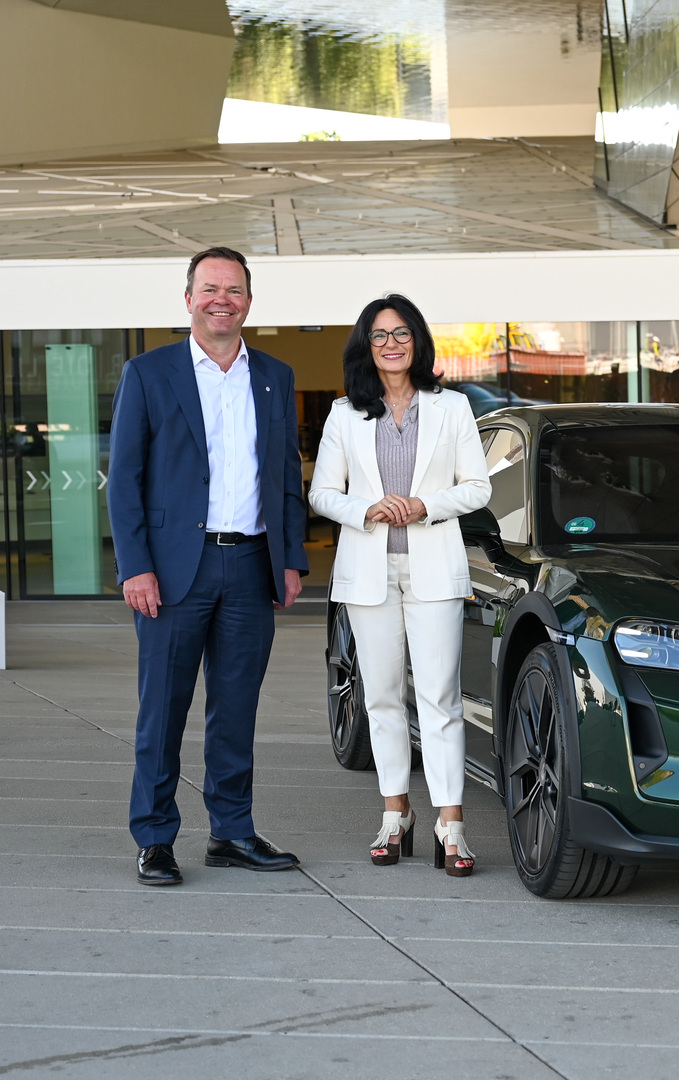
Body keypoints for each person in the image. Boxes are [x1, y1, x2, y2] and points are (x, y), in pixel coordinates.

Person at [108, 247, 309, 886]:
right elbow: (125, 480)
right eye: (210, 288)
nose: (223, 298)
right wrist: (134, 566)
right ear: (188, 297)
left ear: (249, 300)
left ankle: (231, 832)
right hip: (170, 573)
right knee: (162, 708)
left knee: (236, 707)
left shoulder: (275, 375)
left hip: (251, 565)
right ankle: (155, 838)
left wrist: (293, 560)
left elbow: (284, 479)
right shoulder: (149, 373)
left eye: (235, 289)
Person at [309, 296, 492, 876]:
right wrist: (367, 508)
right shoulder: (345, 414)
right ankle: (395, 816)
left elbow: (478, 488)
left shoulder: (452, 407)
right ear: (366, 344)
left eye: (402, 333)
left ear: (418, 341)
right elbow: (321, 494)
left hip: (433, 568)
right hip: (369, 572)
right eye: (380, 334)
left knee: (440, 699)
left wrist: (423, 505)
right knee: (382, 697)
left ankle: (451, 826)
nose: (391, 343)